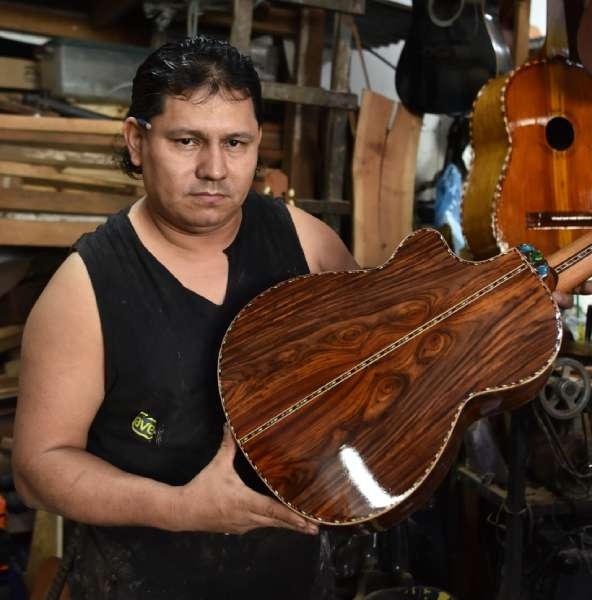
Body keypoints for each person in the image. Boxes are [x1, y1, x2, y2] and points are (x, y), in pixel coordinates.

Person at [12, 36, 358, 599]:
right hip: (144, 580)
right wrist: (180, 508)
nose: (214, 169)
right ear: (136, 141)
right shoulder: (84, 289)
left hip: (293, 576)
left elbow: (367, 369)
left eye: (236, 143)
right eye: (187, 140)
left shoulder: (307, 243)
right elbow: (38, 467)